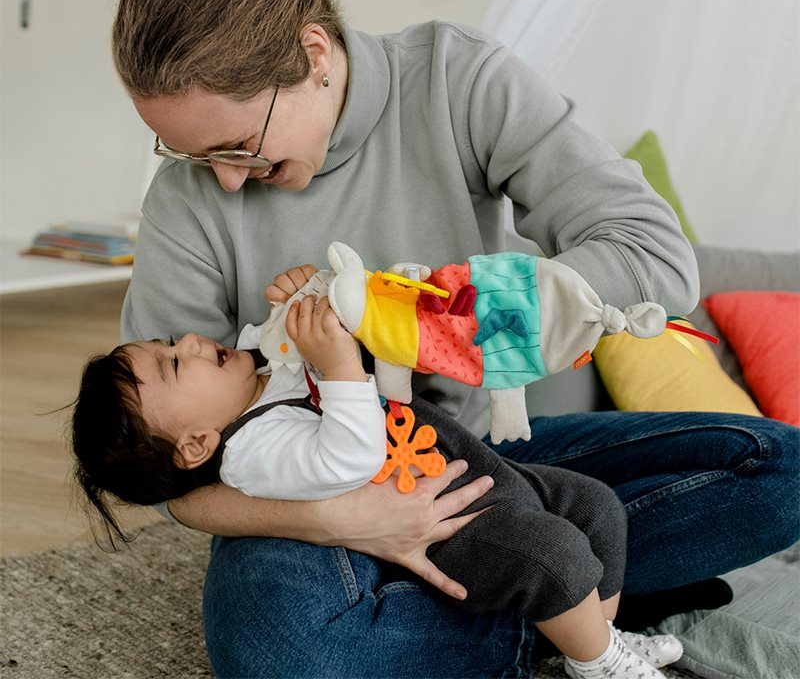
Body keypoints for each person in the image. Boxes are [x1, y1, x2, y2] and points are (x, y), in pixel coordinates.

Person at [109, 0, 799, 678]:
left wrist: (456, 313)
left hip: (483, 461)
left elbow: (655, 256)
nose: (225, 179)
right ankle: (568, 617)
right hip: (316, 506)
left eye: (237, 147)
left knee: (780, 471)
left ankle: (507, 607)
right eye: (190, 153)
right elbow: (172, 469)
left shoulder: (456, 79)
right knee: (280, 650)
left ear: (312, 55)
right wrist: (350, 520)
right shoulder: (187, 199)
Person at [73, 291, 683, 679]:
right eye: (175, 363)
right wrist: (337, 365)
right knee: (548, 556)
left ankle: (599, 645)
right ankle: (601, 662)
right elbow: (346, 457)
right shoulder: (252, 454)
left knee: (595, 505)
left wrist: (301, 300)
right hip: (441, 517)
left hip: (461, 462)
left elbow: (288, 332)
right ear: (196, 445)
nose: (191, 341)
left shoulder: (259, 374)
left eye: (167, 343)